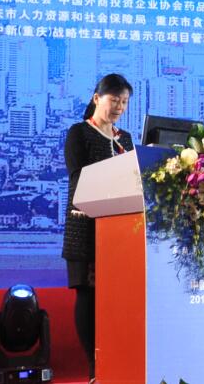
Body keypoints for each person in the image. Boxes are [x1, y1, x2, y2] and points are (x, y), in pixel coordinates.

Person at [62, 73, 134, 382]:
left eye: (124, 102)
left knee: (118, 300)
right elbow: (77, 178)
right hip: (85, 229)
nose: (119, 107)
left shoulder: (125, 139)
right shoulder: (79, 133)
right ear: (96, 98)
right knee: (88, 298)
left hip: (120, 232)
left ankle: (119, 362)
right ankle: (95, 368)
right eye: (114, 100)